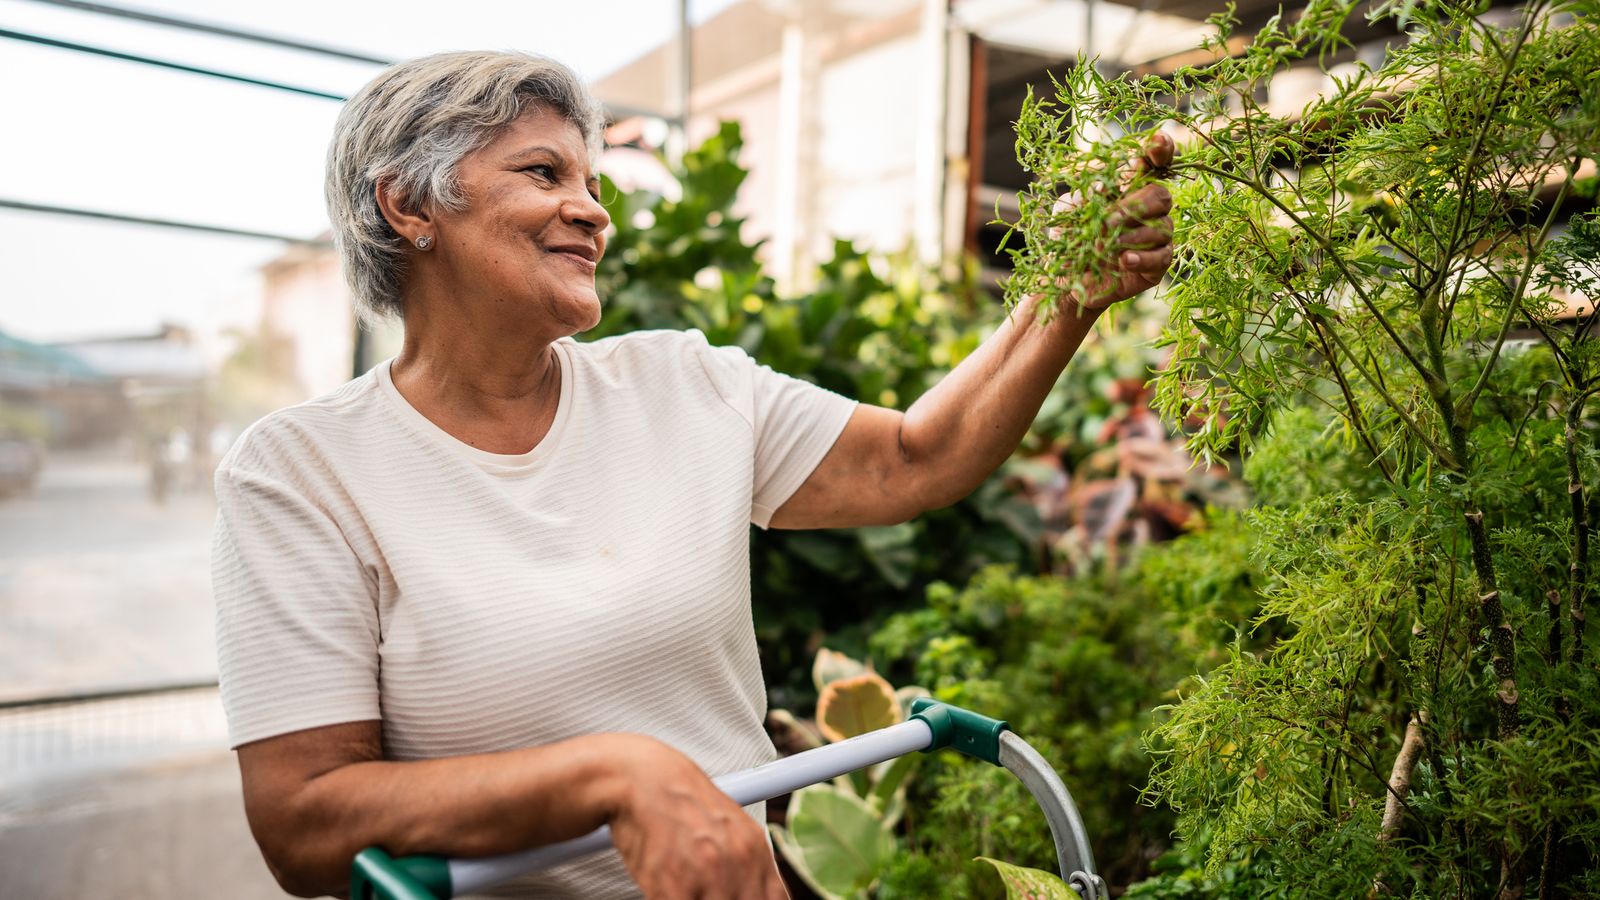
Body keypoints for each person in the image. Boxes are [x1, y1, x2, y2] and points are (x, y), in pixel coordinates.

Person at [212, 50, 1173, 900]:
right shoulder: (303, 472)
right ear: (409, 205)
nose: (592, 209)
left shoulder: (682, 384)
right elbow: (306, 824)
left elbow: (915, 459)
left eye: (592, 181)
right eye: (544, 171)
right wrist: (613, 775)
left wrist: (1068, 292)